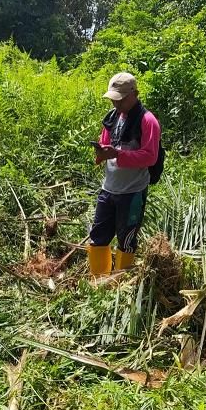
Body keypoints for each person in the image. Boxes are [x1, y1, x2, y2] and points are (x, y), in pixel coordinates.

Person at [88, 72, 161, 276]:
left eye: (119, 99)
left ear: (134, 94)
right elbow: (105, 144)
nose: (115, 103)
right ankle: (98, 281)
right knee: (98, 236)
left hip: (132, 192)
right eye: (112, 99)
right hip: (108, 188)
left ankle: (119, 282)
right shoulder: (112, 117)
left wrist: (118, 155)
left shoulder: (148, 121)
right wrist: (102, 153)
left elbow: (150, 157)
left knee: (126, 239)